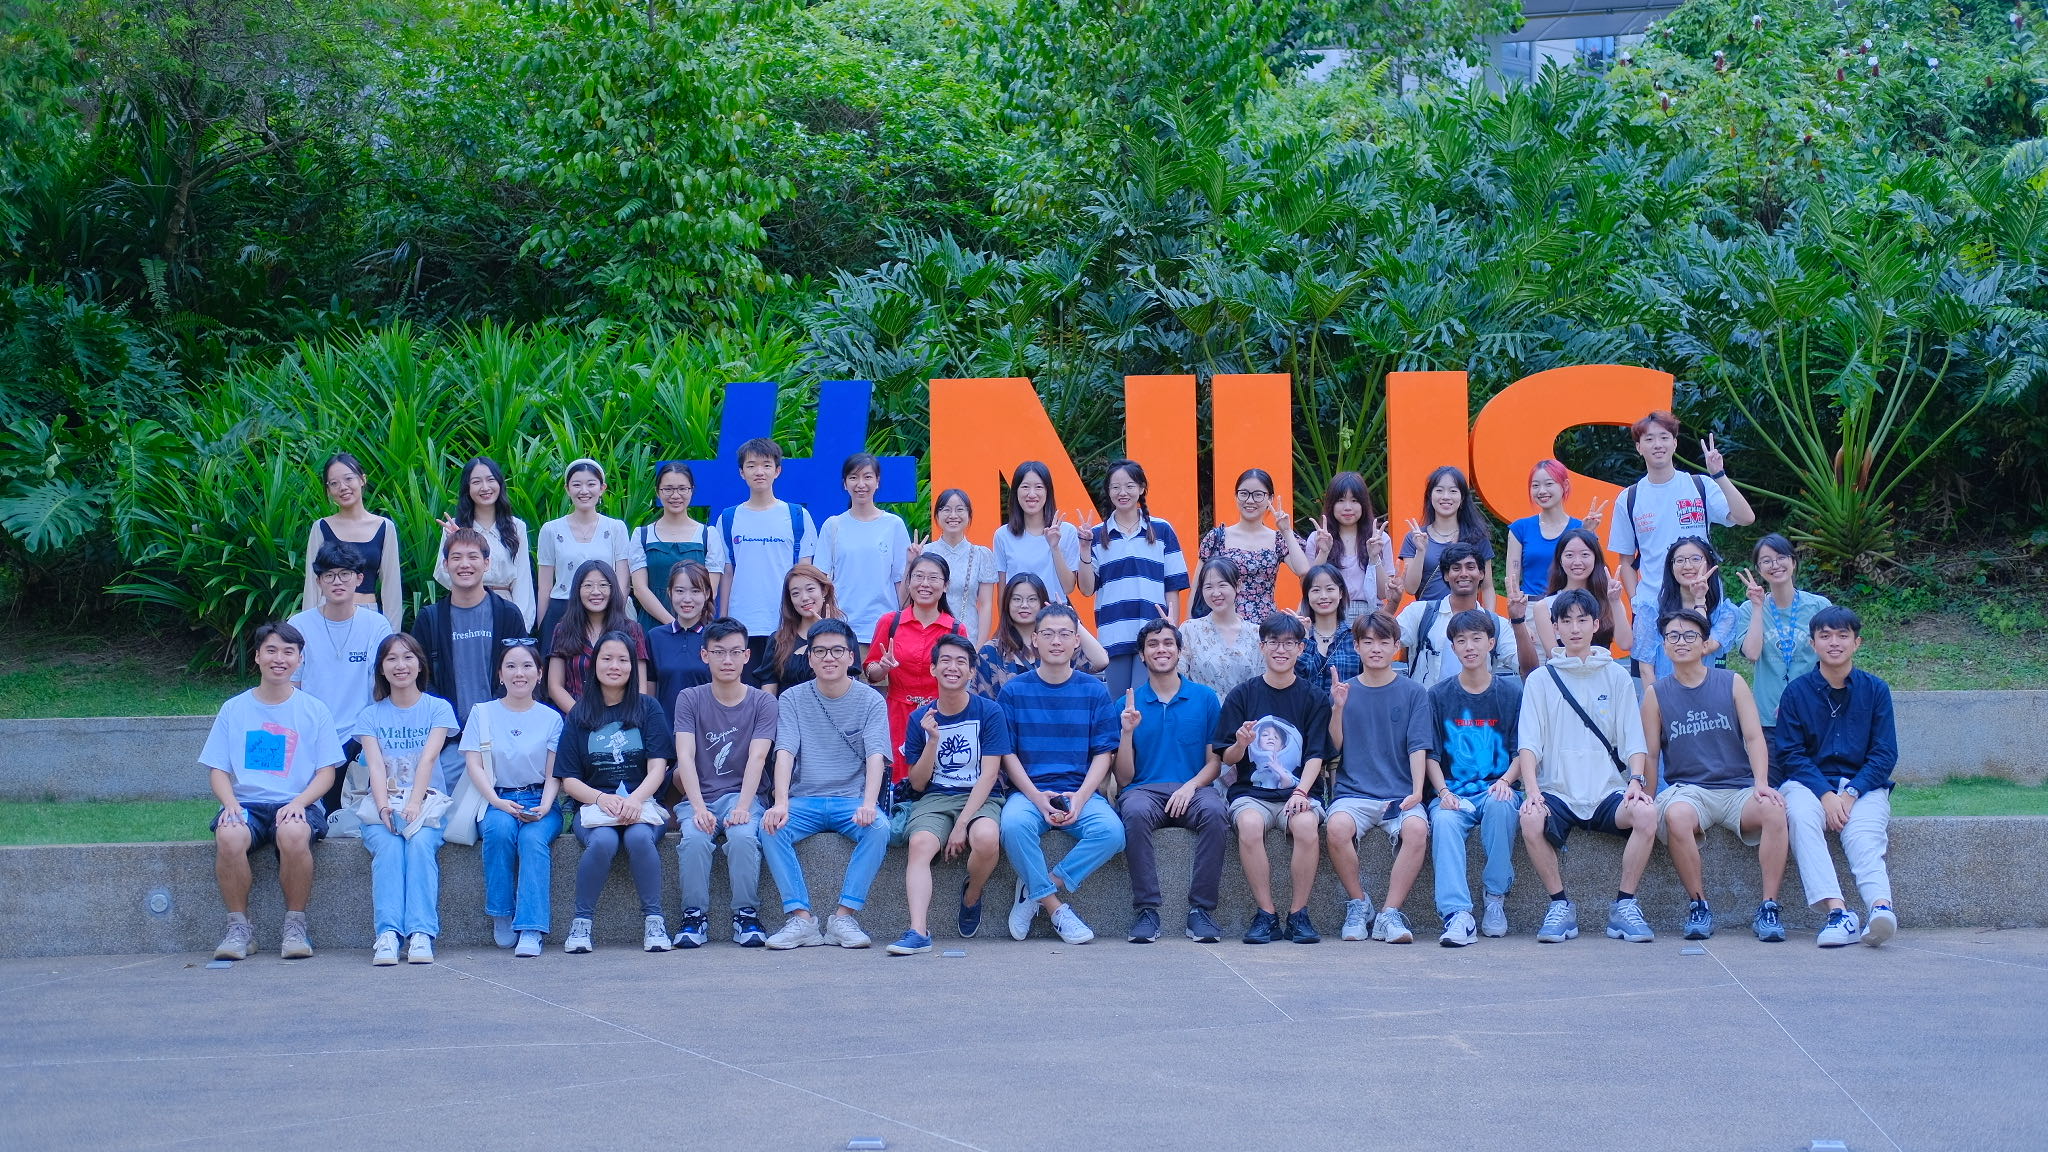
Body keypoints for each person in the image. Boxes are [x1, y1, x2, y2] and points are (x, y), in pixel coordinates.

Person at [1515, 590, 1658, 944]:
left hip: (1608, 790)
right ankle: (1560, 906)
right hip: (1557, 791)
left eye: (1582, 620)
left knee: (1646, 814)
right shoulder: (1540, 680)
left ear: (1596, 625)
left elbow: (1633, 741)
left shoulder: (1617, 676)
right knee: (1530, 818)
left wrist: (1636, 781)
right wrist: (1532, 791)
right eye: (1566, 621)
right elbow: (1529, 743)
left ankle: (1624, 906)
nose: (1575, 628)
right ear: (1556, 627)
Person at [1641, 608, 1789, 943]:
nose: (1681, 642)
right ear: (1664, 646)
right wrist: (1648, 800)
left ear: (1706, 642)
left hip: (1737, 788)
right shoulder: (1656, 694)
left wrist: (1762, 784)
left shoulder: (1731, 682)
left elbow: (1754, 737)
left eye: (1690, 635)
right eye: (1673, 636)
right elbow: (1650, 753)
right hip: (1689, 790)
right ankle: (1698, 904)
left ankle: (1769, 906)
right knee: (1677, 816)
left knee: (1774, 810)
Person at [203, 622, 344, 962]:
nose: (279, 658)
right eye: (271, 650)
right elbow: (218, 770)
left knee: (295, 832)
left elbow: (327, 771)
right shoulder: (234, 709)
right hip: (248, 802)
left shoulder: (313, 709)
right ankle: (239, 929)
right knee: (229, 835)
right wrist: (230, 803)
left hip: (297, 801)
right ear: (257, 657)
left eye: (288, 652)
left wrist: (299, 802)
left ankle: (295, 926)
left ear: (299, 660)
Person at [760, 619, 892, 949]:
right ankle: (801, 919)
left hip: (851, 799)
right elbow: (785, 751)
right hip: (805, 798)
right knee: (771, 827)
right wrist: (780, 802)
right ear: (809, 657)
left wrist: (869, 803)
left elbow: (877, 755)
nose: (828, 658)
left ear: (851, 657)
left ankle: (843, 917)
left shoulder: (871, 700)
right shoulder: (791, 699)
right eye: (820, 650)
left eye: (837, 650)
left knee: (878, 827)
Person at [1773, 606, 1900, 949]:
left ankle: (1880, 908)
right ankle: (1838, 914)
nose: (1834, 643)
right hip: (1808, 783)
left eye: (1842, 635)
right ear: (1813, 643)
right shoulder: (1796, 693)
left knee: (1863, 835)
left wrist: (1854, 790)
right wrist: (1826, 794)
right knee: (1799, 816)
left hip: (1864, 784)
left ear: (1856, 643)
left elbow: (1885, 753)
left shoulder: (1876, 691)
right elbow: (1790, 753)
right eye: (1825, 636)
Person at [998, 603, 1124, 945]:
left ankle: (1038, 887)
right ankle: (1055, 908)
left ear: (1076, 642)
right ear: (1034, 640)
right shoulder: (1013, 691)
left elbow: (1103, 753)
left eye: (1065, 634)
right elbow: (1007, 753)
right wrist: (1036, 797)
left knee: (1112, 832)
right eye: (1048, 634)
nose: (1057, 641)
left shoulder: (1093, 690)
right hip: (1029, 791)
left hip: (1078, 789)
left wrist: (1082, 798)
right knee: (1012, 825)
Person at [887, 634, 1011, 954]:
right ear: (933, 669)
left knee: (985, 838)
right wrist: (931, 741)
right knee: (920, 843)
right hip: (936, 797)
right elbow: (916, 783)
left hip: (981, 795)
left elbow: (989, 773)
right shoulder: (920, 718)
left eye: (961, 662)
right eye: (945, 660)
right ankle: (917, 931)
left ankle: (972, 894)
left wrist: (961, 825)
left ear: (972, 672)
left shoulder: (989, 712)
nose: (952, 667)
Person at [554, 632, 676, 954]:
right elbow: (569, 780)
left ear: (633, 667)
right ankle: (581, 924)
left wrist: (635, 800)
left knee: (638, 838)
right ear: (594, 664)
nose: (615, 666)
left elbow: (658, 767)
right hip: (596, 805)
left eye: (623, 659)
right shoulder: (580, 715)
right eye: (607, 658)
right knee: (604, 840)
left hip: (643, 802)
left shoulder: (648, 708)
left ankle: (654, 922)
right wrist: (601, 798)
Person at [1216, 612, 1332, 944]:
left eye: (1289, 644)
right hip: (1251, 792)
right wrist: (1240, 744)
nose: (1280, 650)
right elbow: (1227, 756)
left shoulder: (1314, 697)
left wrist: (1301, 792)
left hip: (1301, 790)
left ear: (1300, 649)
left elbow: (1316, 755)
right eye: (1273, 643)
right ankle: (1266, 914)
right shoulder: (1242, 695)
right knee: (1250, 825)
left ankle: (1298, 914)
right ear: (1261, 647)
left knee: (1307, 826)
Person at [1608, 410, 1755, 664]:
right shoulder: (1629, 499)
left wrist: (1719, 474)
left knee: (1705, 676)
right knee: (1653, 682)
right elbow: (1625, 560)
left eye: (1664, 437)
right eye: (1649, 439)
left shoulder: (1701, 486)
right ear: (1638, 447)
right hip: (1654, 607)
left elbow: (1745, 517)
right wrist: (1636, 603)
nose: (1657, 445)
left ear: (1675, 443)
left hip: (1703, 599)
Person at [1112, 619, 1227, 944]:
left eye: (1167, 643)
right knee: (1131, 812)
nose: (1160, 649)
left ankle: (1201, 912)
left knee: (1216, 813)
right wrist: (1126, 733)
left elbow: (1214, 763)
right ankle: (1147, 911)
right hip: (1143, 792)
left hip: (1194, 788)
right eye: (1153, 644)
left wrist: (1190, 786)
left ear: (1180, 650)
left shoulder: (1204, 698)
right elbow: (1123, 778)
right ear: (1142, 655)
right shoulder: (1126, 705)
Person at [1324, 611, 1431, 944]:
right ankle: (1360, 903)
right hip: (1353, 793)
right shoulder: (1345, 690)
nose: (1376, 648)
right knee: (1336, 827)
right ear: (1356, 646)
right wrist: (1338, 708)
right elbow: (1333, 747)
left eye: (1384, 641)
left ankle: (1389, 913)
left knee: (1416, 828)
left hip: (1400, 792)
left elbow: (1418, 746)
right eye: (1367, 642)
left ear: (1397, 646)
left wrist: (1416, 791)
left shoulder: (1415, 692)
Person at [355, 633, 461, 966]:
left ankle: (420, 934)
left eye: (408, 657)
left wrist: (413, 805)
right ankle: (387, 934)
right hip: (382, 805)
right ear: (381, 670)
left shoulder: (438, 708)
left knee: (418, 847)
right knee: (388, 848)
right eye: (391, 659)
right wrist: (386, 805)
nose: (401, 665)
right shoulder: (370, 716)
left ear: (419, 664)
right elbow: (373, 763)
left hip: (427, 804)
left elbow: (428, 760)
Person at [670, 618, 775, 949]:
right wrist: (698, 807)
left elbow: (758, 758)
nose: (727, 660)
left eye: (734, 652)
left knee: (744, 837)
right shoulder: (690, 698)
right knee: (694, 840)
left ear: (747, 656)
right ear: (705, 656)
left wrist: (743, 806)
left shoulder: (763, 702)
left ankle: (746, 915)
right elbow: (684, 756)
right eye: (718, 652)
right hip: (699, 795)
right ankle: (693, 917)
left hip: (744, 796)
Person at [1424, 609, 1523, 946]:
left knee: (1500, 806)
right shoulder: (1437, 696)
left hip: (1500, 785)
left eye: (1477, 639)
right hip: (1452, 790)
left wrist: (1507, 781)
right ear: (1452, 647)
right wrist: (1441, 792)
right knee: (1446, 822)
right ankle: (1458, 914)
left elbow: (1523, 751)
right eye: (1461, 640)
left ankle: (1495, 898)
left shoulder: (1511, 694)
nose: (1469, 646)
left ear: (1491, 643)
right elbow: (1430, 753)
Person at [462, 638, 562, 958]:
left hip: (539, 798)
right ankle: (502, 913)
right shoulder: (483, 713)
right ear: (500, 675)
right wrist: (496, 801)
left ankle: (531, 928)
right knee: (499, 830)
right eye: (511, 666)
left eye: (527, 666)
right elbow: (474, 765)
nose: (520, 673)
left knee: (533, 839)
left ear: (539, 673)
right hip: (497, 796)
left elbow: (553, 774)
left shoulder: (551, 718)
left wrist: (545, 807)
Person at [287, 540, 394, 813]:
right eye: (329, 575)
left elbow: (383, 684)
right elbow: (293, 684)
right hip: (312, 731)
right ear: (319, 581)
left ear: (359, 579)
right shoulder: (299, 625)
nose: (337, 581)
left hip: (360, 734)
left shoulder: (376, 625)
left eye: (345, 574)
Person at [1077, 459, 1190, 698]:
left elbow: (1173, 585)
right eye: (1115, 487)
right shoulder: (1096, 535)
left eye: (1129, 485)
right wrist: (1085, 550)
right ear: (1108, 492)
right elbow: (1087, 589)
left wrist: (1171, 628)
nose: (1122, 492)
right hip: (1113, 633)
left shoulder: (1162, 530)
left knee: (1143, 702)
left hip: (1152, 633)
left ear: (1141, 488)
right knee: (1117, 705)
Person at [414, 528, 529, 738]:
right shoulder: (429, 619)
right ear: (445, 565)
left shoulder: (508, 614)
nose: (464, 564)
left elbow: (522, 672)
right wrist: (445, 721)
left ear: (487, 564)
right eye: (456, 557)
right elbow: (421, 676)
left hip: (502, 732)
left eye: (473, 557)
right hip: (447, 737)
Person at [715, 437, 818, 671]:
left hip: (786, 623)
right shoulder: (729, 518)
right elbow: (727, 572)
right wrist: (723, 619)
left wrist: (807, 620)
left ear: (777, 470)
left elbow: (805, 574)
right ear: (742, 472)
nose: (759, 471)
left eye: (766, 465)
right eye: (751, 465)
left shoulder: (797, 516)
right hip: (742, 624)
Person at [865, 553, 962, 786]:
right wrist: (883, 668)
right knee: (895, 780)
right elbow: (870, 673)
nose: (925, 584)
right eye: (918, 576)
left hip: (940, 715)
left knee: (939, 778)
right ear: (908, 582)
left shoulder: (955, 629)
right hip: (897, 713)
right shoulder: (890, 622)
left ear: (945, 585)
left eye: (933, 578)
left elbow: (961, 679)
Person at [1732, 534, 1832, 747]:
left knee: (1813, 778)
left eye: (1781, 558)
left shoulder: (1819, 606)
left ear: (1793, 562)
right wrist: (1758, 607)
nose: (1774, 565)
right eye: (1766, 561)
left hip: (1814, 710)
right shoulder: (1748, 610)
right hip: (1769, 716)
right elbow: (1752, 653)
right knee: (1773, 780)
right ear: (1759, 570)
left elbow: (1832, 656)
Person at [535, 459, 636, 656]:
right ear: (567, 489)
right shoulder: (550, 530)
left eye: (591, 484)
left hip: (605, 610)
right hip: (561, 610)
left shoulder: (616, 528)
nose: (584, 491)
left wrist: (616, 614)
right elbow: (545, 587)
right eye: (576, 484)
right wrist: (543, 629)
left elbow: (622, 580)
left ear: (602, 488)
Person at [817, 452, 911, 656]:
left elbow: (900, 583)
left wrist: (902, 625)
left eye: (867, 477)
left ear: (877, 482)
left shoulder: (893, 525)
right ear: (844, 484)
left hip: (883, 630)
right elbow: (821, 581)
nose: (861, 484)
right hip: (841, 631)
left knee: (882, 688)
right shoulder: (833, 525)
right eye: (853, 477)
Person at [1396, 543, 1520, 688]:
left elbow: (1525, 667)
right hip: (1428, 707)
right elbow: (1382, 640)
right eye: (1456, 568)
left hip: (1478, 708)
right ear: (1446, 575)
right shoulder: (1420, 613)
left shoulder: (1496, 623)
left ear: (1481, 574)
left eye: (1470, 567)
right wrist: (1392, 604)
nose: (1464, 573)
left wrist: (1519, 621)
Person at [1198, 467, 1312, 623]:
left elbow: (1303, 570)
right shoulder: (1216, 538)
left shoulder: (1278, 539)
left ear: (1270, 499)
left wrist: (1286, 531)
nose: (1250, 501)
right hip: (1222, 627)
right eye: (1244, 494)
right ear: (1236, 496)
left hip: (1266, 630)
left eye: (1258, 495)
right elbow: (1199, 585)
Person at [302, 452, 402, 629]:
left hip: (369, 617)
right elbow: (312, 586)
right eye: (334, 483)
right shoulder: (321, 527)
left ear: (362, 479)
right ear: (328, 489)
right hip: (328, 618)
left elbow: (391, 588)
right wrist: (308, 631)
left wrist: (392, 637)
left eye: (348, 479)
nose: (343, 487)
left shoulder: (384, 527)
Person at [434, 455, 536, 630]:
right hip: (464, 607)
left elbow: (523, 581)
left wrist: (521, 625)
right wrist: (458, 542)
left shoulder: (516, 527)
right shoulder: (454, 527)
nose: (485, 487)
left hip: (505, 609)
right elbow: (441, 574)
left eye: (491, 480)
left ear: (500, 484)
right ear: (467, 488)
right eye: (476, 482)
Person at [1510, 528, 1628, 676]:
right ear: (1560, 560)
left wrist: (1615, 602)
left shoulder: (1609, 598)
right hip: (1565, 681)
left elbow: (1625, 643)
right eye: (1569, 555)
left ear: (1595, 558)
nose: (1577, 562)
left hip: (1604, 678)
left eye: (1585, 555)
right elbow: (1555, 656)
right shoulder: (1544, 607)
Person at [971, 572, 1107, 697]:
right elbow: (982, 702)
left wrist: (1071, 619)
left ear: (1043, 603)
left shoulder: (1056, 645)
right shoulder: (990, 652)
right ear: (1007, 603)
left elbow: (1101, 661)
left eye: (1032, 599)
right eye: (1017, 599)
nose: (1024, 605)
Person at [629, 461, 727, 631]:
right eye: (668, 489)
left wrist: (686, 624)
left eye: (682, 488)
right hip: (652, 627)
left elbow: (710, 590)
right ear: (658, 492)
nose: (675, 495)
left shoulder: (708, 535)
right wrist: (672, 625)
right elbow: (640, 589)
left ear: (692, 490)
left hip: (696, 625)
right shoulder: (642, 535)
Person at [546, 559, 649, 711]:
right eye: (588, 585)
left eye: (603, 585)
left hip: (621, 721)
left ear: (613, 589)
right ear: (577, 590)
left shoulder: (631, 630)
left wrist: (618, 719)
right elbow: (555, 686)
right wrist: (580, 717)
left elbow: (640, 687)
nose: (596, 592)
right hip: (576, 717)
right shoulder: (563, 630)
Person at [1635, 536, 1740, 684]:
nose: (1688, 566)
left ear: (1709, 565)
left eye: (1696, 559)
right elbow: (1646, 669)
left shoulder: (1726, 613)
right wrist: (1656, 704)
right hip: (1662, 696)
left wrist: (1699, 600)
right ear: (1671, 568)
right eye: (1679, 560)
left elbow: (1703, 647)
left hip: (1706, 697)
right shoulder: (1651, 610)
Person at [1506, 459, 1606, 599]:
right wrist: (1516, 608)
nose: (1542, 491)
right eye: (1535, 485)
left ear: (1565, 485)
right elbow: (1512, 578)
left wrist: (1587, 533)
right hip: (1530, 608)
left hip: (1570, 607)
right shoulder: (1520, 529)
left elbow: (1593, 573)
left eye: (1549, 484)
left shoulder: (1580, 528)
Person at [1302, 471, 1395, 622]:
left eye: (1354, 501)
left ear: (1363, 504)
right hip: (1327, 616)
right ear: (1331, 504)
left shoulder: (1380, 539)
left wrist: (1374, 557)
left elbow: (1384, 593)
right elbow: (1308, 587)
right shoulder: (1317, 538)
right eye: (1340, 500)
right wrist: (1323, 553)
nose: (1347, 507)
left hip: (1368, 618)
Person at [1399, 465, 1495, 609]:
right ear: (1430, 496)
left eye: (1453, 491)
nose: (1446, 497)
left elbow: (1487, 587)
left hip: (1466, 620)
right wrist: (1420, 551)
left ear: (1462, 498)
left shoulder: (1477, 538)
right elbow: (1411, 588)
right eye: (1439, 490)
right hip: (1428, 618)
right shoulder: (1415, 537)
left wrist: (1489, 622)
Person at [991, 460, 1080, 603]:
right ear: (1016, 492)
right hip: (1019, 618)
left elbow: (1069, 587)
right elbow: (1002, 591)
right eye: (1025, 487)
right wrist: (1004, 625)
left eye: (1039, 487)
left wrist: (1055, 547)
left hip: (1054, 618)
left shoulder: (1066, 531)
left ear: (1047, 491)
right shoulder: (1003, 535)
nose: (1032, 494)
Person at [1176, 558, 1263, 700]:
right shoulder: (1189, 630)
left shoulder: (1257, 633)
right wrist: (1168, 640)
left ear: (1238, 585)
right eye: (1208, 587)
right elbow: (1178, 679)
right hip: (1203, 715)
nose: (1216, 593)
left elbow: (1263, 684)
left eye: (1222, 585)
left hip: (1245, 717)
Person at [922, 488, 998, 647]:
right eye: (946, 509)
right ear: (937, 515)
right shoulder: (925, 552)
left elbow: (985, 605)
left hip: (968, 638)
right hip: (928, 637)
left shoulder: (981, 555)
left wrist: (980, 646)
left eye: (960, 509)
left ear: (969, 515)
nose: (953, 515)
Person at [754, 563, 845, 693]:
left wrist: (828, 634)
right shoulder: (778, 640)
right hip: (787, 711)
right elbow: (769, 690)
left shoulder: (844, 636)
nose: (804, 598)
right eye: (795, 593)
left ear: (823, 591)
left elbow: (848, 684)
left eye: (810, 589)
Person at [646, 561, 715, 722]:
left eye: (695, 591)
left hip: (708, 734)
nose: (687, 599)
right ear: (669, 593)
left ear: (707, 594)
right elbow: (649, 695)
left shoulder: (716, 638)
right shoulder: (655, 637)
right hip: (665, 733)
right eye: (680, 591)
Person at [1293, 564, 1360, 686]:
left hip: (1347, 704)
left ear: (1340, 593)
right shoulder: (1297, 637)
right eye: (1316, 590)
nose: (1323, 596)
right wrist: (1305, 638)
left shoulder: (1355, 636)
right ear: (1307, 596)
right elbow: (1298, 676)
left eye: (1330, 589)